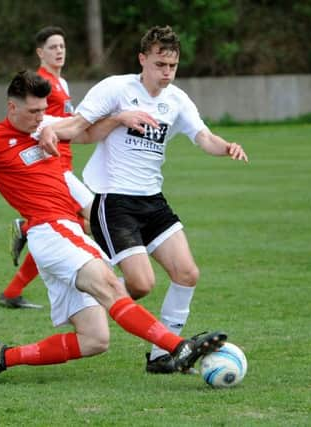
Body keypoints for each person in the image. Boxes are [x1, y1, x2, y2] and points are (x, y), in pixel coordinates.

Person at [0, 70, 227, 384]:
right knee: (110, 285)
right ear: (11, 107)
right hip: (51, 230)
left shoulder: (48, 128)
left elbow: (88, 132)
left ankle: (2, 357)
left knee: (94, 340)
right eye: (32, 112)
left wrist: (119, 117)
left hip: (62, 233)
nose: (40, 119)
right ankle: (177, 347)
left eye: (44, 111)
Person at [38, 26, 248, 374]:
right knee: (141, 284)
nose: (166, 72)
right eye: (160, 64)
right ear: (143, 60)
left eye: (173, 65)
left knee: (187, 273)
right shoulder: (116, 88)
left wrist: (226, 147)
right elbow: (78, 127)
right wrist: (50, 130)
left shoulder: (176, 100)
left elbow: (205, 137)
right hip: (115, 201)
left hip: (153, 201)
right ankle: (96, 301)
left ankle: (160, 354)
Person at [0, 26, 91, 310]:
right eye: (53, 47)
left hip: (64, 158)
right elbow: (30, 120)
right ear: (40, 52)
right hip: (53, 164)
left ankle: (13, 291)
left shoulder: (61, 83)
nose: (59, 51)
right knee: (92, 219)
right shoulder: (39, 81)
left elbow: (63, 120)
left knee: (70, 227)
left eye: (62, 46)